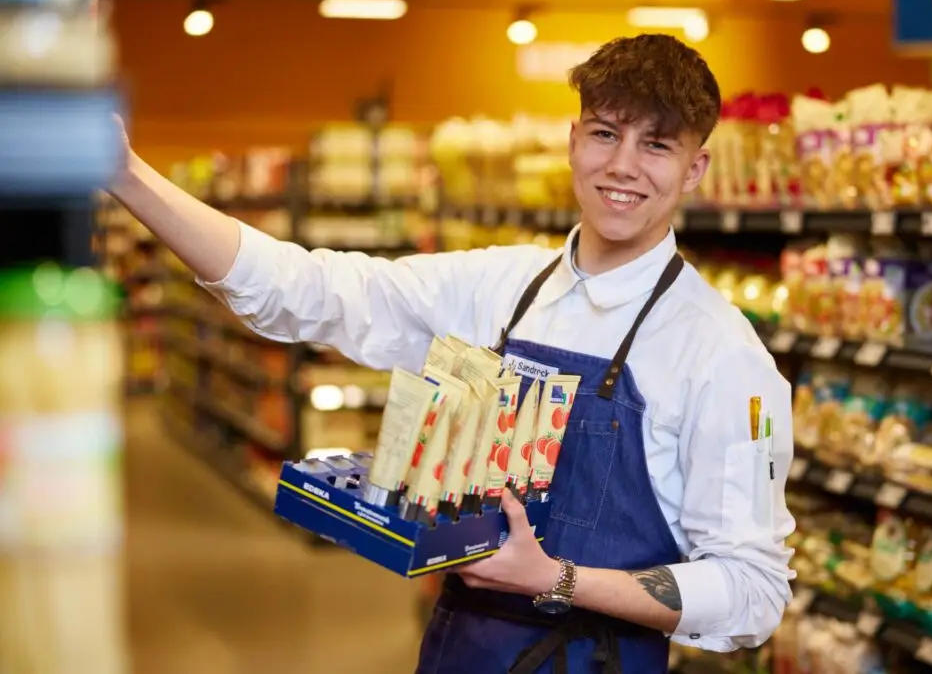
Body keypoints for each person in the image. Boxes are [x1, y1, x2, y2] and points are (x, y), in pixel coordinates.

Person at [110, 33, 795, 674]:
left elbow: (751, 588)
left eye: (657, 145)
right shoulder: (496, 288)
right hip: (459, 650)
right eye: (605, 133)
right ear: (572, 141)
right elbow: (303, 289)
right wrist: (127, 174)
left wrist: (557, 578)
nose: (622, 165)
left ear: (695, 169)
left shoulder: (721, 354)